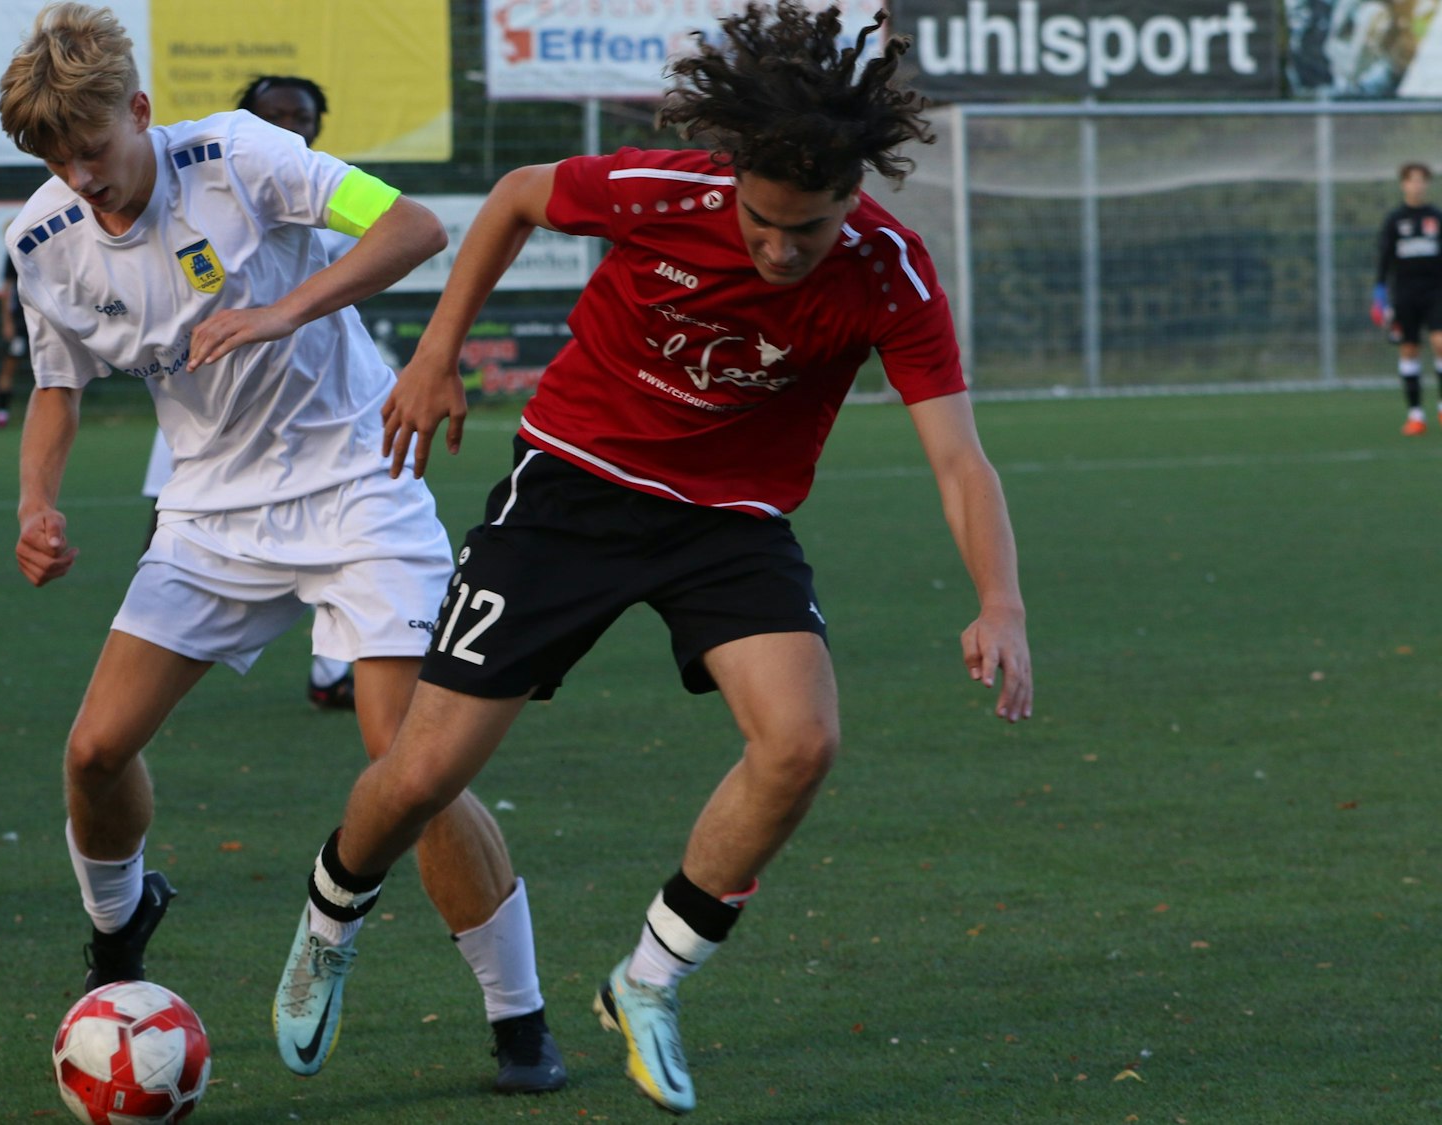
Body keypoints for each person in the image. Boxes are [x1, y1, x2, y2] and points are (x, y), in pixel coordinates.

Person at [272, 2, 1033, 1113]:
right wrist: (436, 352)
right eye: (762, 223)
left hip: (726, 525)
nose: (779, 249)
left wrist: (997, 599)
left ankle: (646, 980)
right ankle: (329, 922)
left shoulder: (888, 272)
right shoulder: (662, 193)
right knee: (425, 773)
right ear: (733, 182)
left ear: (851, 202)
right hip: (571, 491)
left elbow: (961, 461)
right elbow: (516, 195)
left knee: (800, 741)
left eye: (806, 231)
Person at [0, 3, 564, 1093]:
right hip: (209, 515)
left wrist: (280, 311)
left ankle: (517, 1019)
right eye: (59, 162)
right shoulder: (41, 242)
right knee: (93, 751)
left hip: (360, 484)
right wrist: (36, 503)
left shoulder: (241, 153)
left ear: (143, 112)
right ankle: (119, 938)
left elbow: (409, 226)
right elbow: (54, 388)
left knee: (411, 763)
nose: (85, 179)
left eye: (98, 150)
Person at [137, 74, 357, 710]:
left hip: (315, 404)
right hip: (210, 395)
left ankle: (331, 671)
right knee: (171, 515)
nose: (291, 127)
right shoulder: (196, 200)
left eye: (303, 117)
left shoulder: (333, 196)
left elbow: (405, 235)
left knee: (343, 546)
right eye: (275, 115)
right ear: (245, 124)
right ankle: (161, 618)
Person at [1374, 161, 1442, 436]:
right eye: (1412, 180)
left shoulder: (1436, 216)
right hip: (1404, 294)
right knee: (1409, 349)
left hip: (1436, 291)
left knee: (1440, 343)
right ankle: (1415, 415)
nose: (1417, 185)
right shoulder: (1394, 220)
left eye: (1421, 180)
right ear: (1403, 184)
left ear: (1427, 183)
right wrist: (1378, 291)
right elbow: (1384, 257)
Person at [0, 256, 25, 428]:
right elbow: (7, 289)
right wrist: (7, 321)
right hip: (20, 322)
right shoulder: (15, 253)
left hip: (45, 321)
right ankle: (1, 413)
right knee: (9, 366)